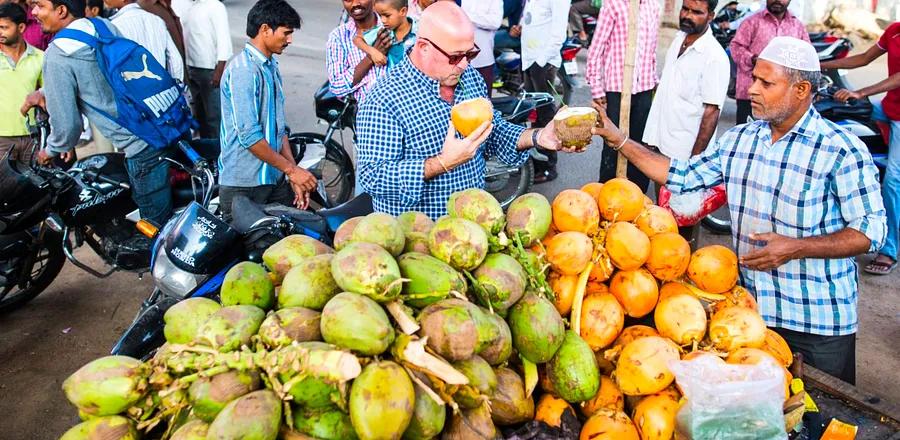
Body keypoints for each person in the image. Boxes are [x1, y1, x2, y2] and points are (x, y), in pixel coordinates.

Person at [591, 37, 886, 384]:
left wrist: (797, 247)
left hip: (817, 323)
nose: (751, 89)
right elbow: (681, 175)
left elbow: (872, 231)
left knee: (820, 422)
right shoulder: (741, 139)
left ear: (802, 89)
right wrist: (619, 140)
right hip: (748, 317)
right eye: (754, 78)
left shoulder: (841, 150)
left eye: (766, 82)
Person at [356, 1, 577, 218]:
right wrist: (441, 163)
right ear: (423, 47)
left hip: (473, 226)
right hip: (420, 240)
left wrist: (537, 136)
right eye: (455, 56)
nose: (463, 64)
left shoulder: (468, 77)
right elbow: (373, 177)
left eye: (469, 54)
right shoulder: (384, 98)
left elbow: (492, 131)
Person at [28, 0, 176, 224]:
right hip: (165, 121)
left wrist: (50, 150)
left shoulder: (57, 54)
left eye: (39, 6)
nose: (34, 12)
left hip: (141, 146)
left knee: (156, 230)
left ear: (61, 10)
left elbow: (68, 127)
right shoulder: (102, 26)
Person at [217, 0, 316, 222]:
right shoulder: (244, 71)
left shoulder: (270, 67)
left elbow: (280, 129)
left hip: (273, 177)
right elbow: (250, 137)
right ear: (265, 29)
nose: (289, 40)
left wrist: (292, 173)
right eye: (286, 33)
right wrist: (292, 171)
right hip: (243, 185)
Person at [643, 0, 728, 246]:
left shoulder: (714, 57)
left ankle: (683, 271)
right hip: (662, 146)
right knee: (662, 216)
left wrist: (694, 164)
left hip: (684, 156)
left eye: (697, 12)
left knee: (684, 221)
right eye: (686, 9)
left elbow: (711, 113)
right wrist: (652, 140)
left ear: (711, 15)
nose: (688, 16)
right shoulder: (679, 39)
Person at [822, 22, 900, 275]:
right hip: (887, 107)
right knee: (835, 115)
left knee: (892, 181)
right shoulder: (895, 30)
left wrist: (861, 92)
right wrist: (822, 65)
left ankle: (889, 250)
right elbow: (865, 58)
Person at [585, 0, 659, 192]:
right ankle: (607, 194)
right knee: (612, 144)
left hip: (644, 87)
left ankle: (636, 196)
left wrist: (654, 81)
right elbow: (596, 49)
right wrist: (597, 88)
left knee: (640, 144)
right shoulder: (614, 4)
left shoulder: (653, 6)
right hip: (616, 87)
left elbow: (652, 50)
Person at [730, 0, 808, 125]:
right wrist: (754, 60)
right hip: (751, 92)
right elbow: (736, 47)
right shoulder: (751, 22)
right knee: (747, 137)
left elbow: (805, 56)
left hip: (783, 96)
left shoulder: (797, 26)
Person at [520, 0, 568, 183]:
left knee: (545, 115)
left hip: (542, 63)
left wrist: (540, 62)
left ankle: (549, 168)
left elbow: (558, 33)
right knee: (533, 115)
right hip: (529, 61)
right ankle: (535, 165)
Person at [180, 0, 232, 138]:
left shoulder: (215, 6)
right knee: (199, 115)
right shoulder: (192, 7)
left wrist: (219, 71)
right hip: (191, 68)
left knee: (213, 116)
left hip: (209, 70)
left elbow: (224, 39)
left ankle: (218, 151)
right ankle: (206, 148)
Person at [326, 0, 391, 104]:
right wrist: (371, 57)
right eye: (348, 0)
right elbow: (336, 86)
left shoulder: (391, 24)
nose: (355, 4)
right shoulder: (339, 37)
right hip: (366, 115)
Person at [0, 2, 42, 162]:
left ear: (22, 28)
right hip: (1, 139)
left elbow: (52, 98)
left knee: (35, 185)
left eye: (4, 27)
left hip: (33, 137)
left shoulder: (41, 58)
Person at [106, 0, 183, 81]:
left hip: (136, 88)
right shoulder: (156, 20)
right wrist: (176, 83)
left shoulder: (114, 26)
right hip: (163, 86)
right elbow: (175, 59)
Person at [355, 0, 417, 69]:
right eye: (380, 15)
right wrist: (373, 52)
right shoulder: (384, 32)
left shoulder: (420, 29)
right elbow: (357, 39)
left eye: (387, 15)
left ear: (403, 11)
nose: (383, 20)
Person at [460, 0, 501, 96]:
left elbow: (495, 22)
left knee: (484, 101)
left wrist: (468, 16)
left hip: (483, 59)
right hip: (461, 58)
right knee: (462, 100)